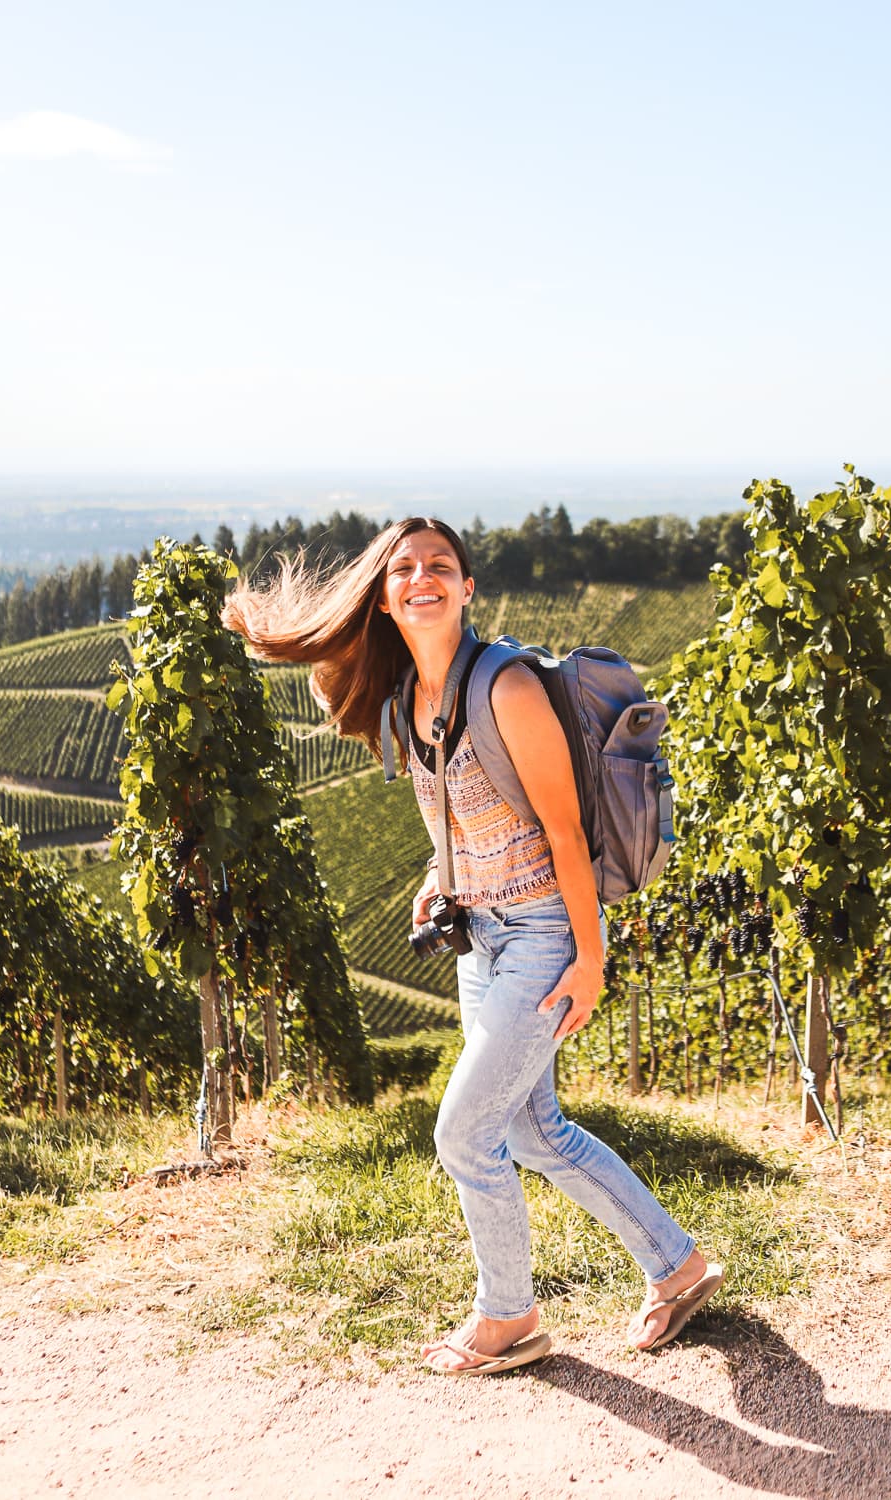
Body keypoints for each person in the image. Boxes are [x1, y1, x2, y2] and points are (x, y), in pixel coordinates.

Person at [223, 516, 723, 1373]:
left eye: (440, 565)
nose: (423, 577)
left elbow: (564, 832)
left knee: (462, 1134)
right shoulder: (407, 701)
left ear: (467, 588)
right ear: (384, 598)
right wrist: (440, 873)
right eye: (404, 568)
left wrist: (589, 959)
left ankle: (508, 1317)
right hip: (481, 937)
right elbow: (466, 811)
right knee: (534, 1132)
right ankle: (678, 1268)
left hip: (543, 932)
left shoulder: (506, 688)